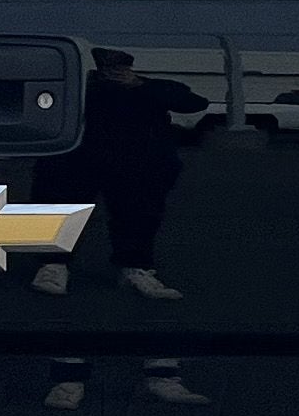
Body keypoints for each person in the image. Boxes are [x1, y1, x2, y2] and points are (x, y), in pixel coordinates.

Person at [30, 46, 206, 301]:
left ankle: (135, 268)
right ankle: (53, 266)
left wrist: (140, 85)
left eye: (120, 69)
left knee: (138, 217)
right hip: (78, 161)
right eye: (110, 69)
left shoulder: (149, 89)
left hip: (137, 164)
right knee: (60, 212)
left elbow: (193, 102)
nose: (114, 74)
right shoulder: (79, 89)